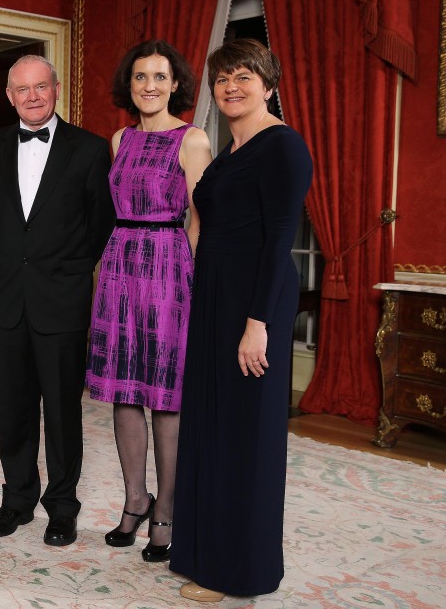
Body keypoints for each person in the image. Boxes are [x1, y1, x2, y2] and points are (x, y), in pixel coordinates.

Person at [169, 38, 312, 602]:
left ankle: (240, 575)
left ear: (269, 84)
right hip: (214, 297)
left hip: (255, 302)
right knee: (210, 425)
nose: (231, 86)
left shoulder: (283, 147)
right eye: (223, 77)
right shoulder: (230, 150)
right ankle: (203, 554)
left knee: (245, 438)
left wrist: (259, 324)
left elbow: (281, 241)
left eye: (244, 76)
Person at [0, 55, 113, 547]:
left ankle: (61, 506)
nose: (32, 96)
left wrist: (67, 270)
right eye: (21, 89)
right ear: (9, 96)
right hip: (8, 300)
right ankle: (17, 501)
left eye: (40, 87)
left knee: (60, 411)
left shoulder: (91, 150)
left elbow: (101, 225)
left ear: (56, 89)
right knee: (12, 409)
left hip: (63, 299)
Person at [86, 40, 212, 563]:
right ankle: (135, 497)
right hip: (119, 265)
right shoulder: (120, 138)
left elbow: (201, 217)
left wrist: (192, 283)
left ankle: (168, 509)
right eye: (140, 78)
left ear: (176, 83)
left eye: (159, 77)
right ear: (130, 84)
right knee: (124, 391)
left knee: (165, 395)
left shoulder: (194, 139)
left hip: (167, 267)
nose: (150, 86)